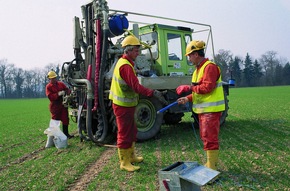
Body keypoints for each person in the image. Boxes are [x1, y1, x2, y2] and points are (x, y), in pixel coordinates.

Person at [109, 35, 167, 172]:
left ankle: (131, 156)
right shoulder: (125, 66)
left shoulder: (127, 63)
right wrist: (153, 93)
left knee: (132, 130)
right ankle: (124, 162)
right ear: (128, 51)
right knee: (124, 133)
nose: (138, 53)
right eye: (136, 50)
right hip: (122, 105)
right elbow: (136, 87)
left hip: (127, 104)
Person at [176, 40, 225, 170]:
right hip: (204, 110)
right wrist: (187, 98)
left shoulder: (209, 67)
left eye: (189, 56)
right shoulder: (198, 70)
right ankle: (210, 164)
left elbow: (207, 88)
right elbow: (199, 92)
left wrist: (188, 88)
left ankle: (212, 167)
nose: (189, 58)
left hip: (211, 110)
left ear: (196, 54)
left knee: (210, 138)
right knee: (206, 137)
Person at [46, 71, 74, 139]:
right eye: (52, 78)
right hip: (55, 107)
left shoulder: (61, 84)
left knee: (65, 119)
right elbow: (50, 97)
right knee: (55, 121)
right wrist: (58, 94)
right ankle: (55, 136)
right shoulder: (48, 87)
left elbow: (67, 90)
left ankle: (66, 134)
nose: (54, 79)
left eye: (54, 78)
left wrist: (67, 92)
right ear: (49, 79)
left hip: (63, 105)